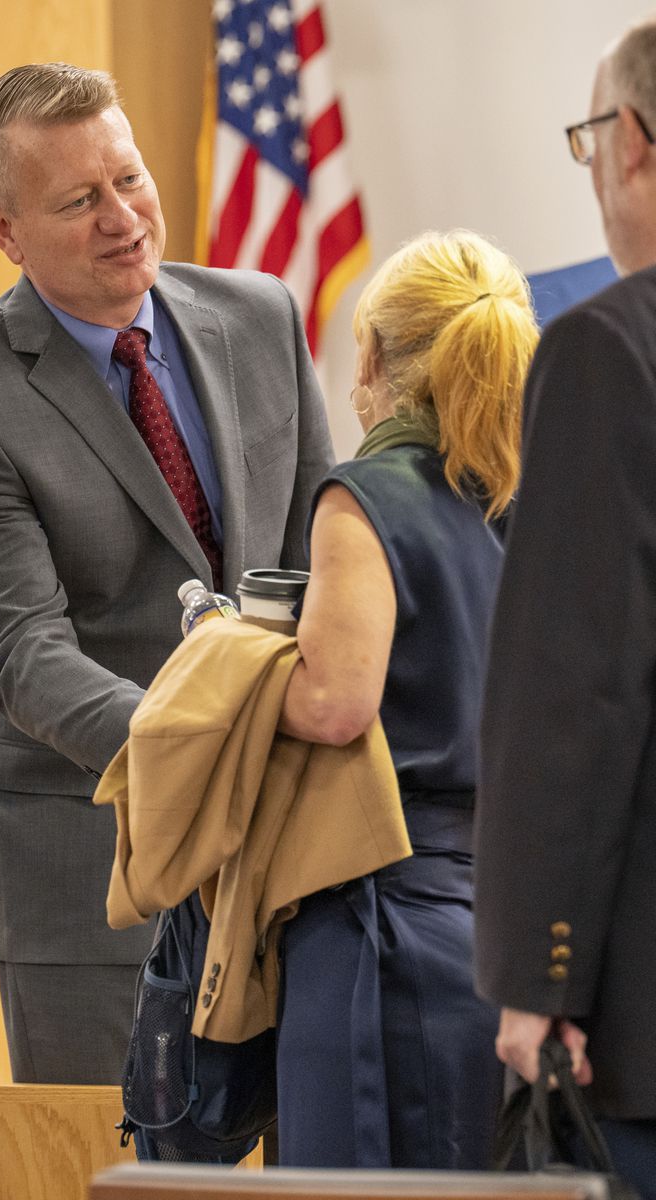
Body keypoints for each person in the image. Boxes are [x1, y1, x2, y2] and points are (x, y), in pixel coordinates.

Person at [0, 62, 334, 1086]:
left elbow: (321, 548)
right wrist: (205, 746)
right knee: (109, 1170)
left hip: (293, 852)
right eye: (79, 200)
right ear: (2, 232)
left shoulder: (262, 313)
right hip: (92, 879)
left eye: (128, 180)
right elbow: (20, 655)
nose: (122, 217)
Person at [275, 229, 539, 1168]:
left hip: (381, 926)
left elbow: (336, 703)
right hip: (511, 934)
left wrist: (236, 666)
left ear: (376, 356)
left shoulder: (366, 497)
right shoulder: (534, 501)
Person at [474, 15, 656, 1198]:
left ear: (631, 143)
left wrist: (540, 975)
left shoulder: (604, 350)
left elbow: (573, 691)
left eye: (588, 137)